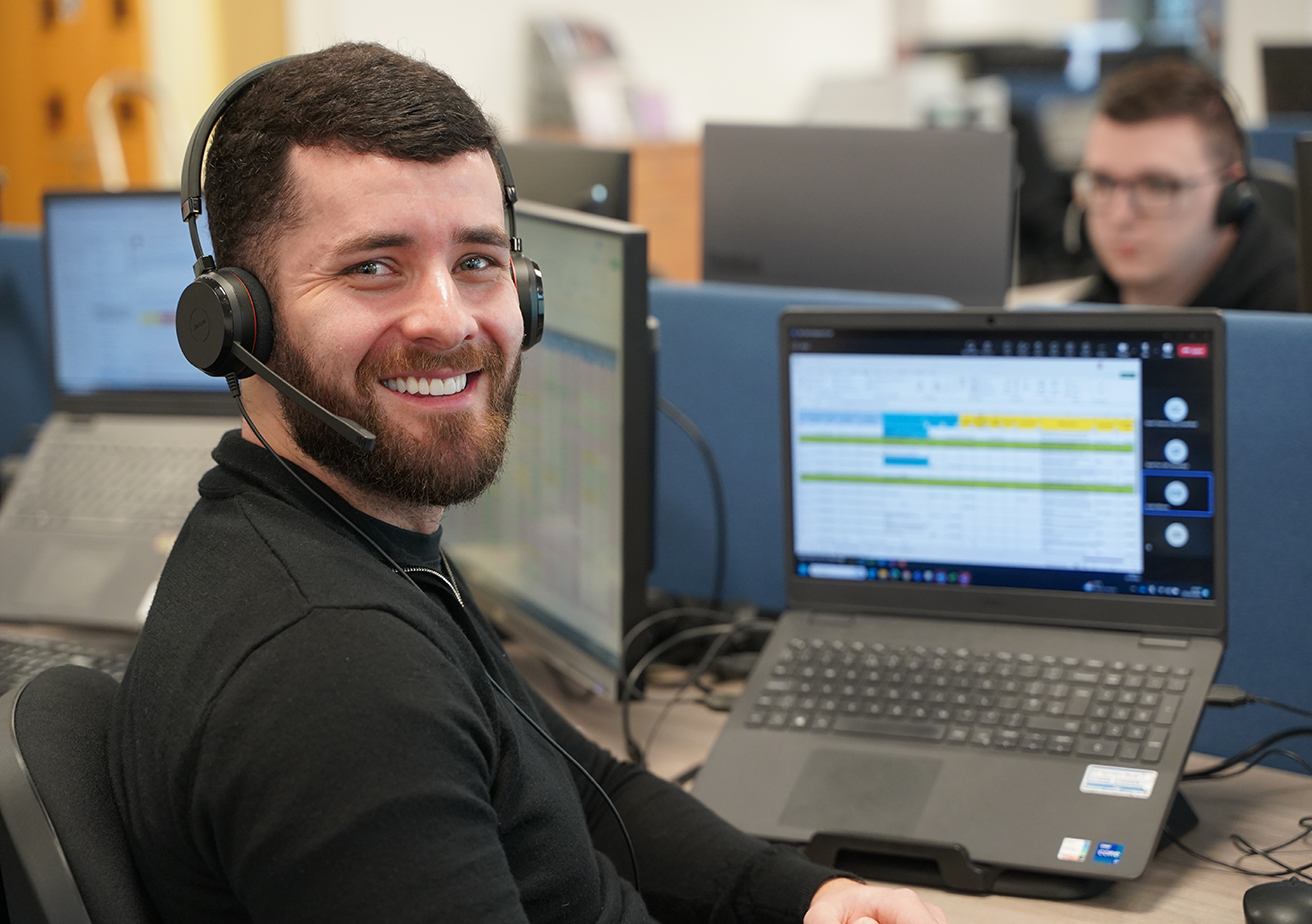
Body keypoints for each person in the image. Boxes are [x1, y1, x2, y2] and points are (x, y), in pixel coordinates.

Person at [109, 43, 950, 924]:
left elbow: (577, 787)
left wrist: (811, 897)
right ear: (236, 320)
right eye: (373, 267)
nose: (448, 320)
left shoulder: (360, 539)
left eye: (478, 261)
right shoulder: (336, 677)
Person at [1075, 57, 1300, 312]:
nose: (1120, 216)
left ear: (1231, 195)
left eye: (1157, 185)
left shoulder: (1294, 327)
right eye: (1103, 182)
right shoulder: (1076, 321)